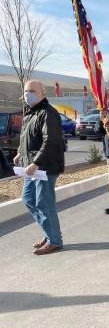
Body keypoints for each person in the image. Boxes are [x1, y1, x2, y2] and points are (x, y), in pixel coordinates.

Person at [13, 80, 65, 255]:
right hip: (30, 166)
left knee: (44, 203)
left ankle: (55, 240)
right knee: (28, 200)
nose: (28, 94)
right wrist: (21, 152)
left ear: (42, 93)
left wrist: (36, 163)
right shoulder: (30, 113)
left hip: (45, 167)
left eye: (32, 91)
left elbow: (51, 141)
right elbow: (26, 137)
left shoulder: (48, 113)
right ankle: (48, 233)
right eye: (26, 91)